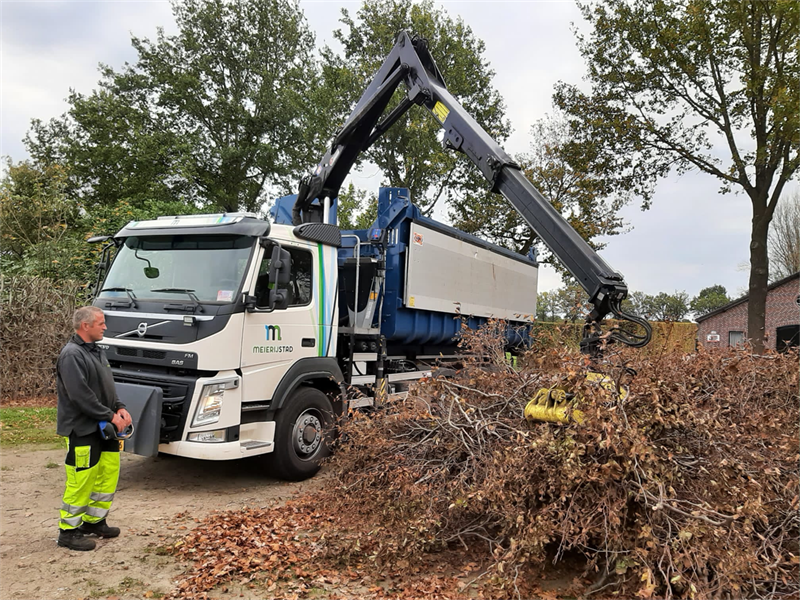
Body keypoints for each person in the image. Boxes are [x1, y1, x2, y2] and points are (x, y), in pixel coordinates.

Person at [56, 306, 132, 551]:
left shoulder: (96, 351)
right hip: (82, 428)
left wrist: (119, 407)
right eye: (100, 323)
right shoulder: (71, 355)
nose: (105, 327)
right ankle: (68, 532)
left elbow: (105, 386)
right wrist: (110, 415)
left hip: (105, 427)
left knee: (107, 474)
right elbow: (80, 395)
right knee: (82, 479)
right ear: (85, 326)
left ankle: (94, 521)